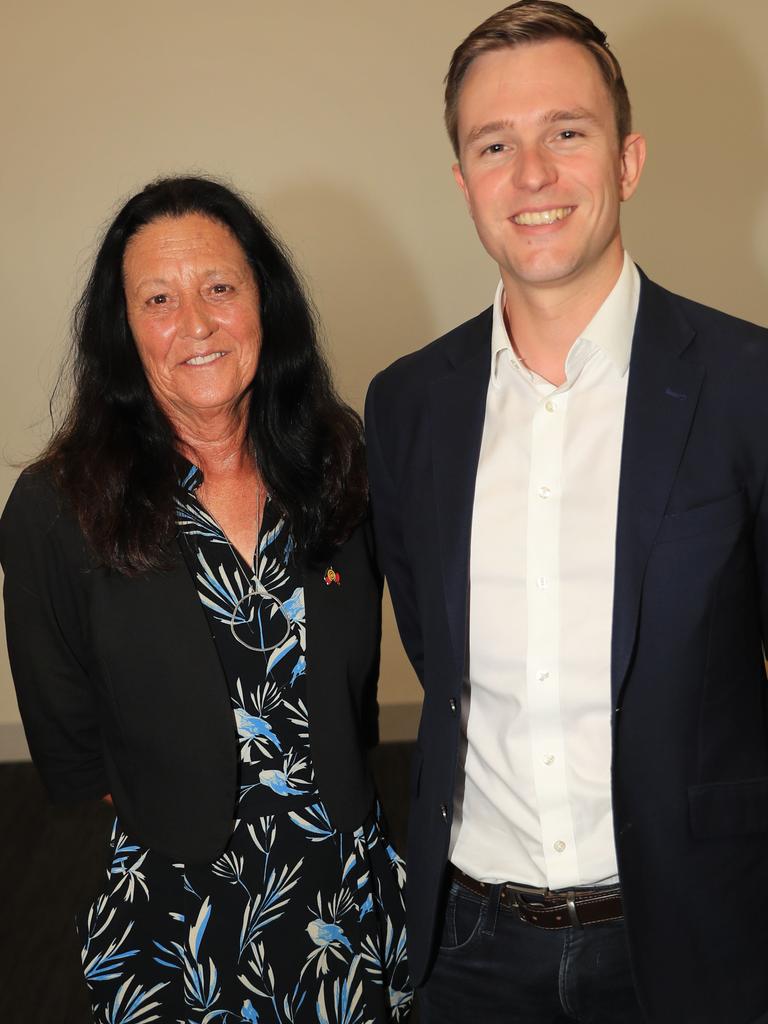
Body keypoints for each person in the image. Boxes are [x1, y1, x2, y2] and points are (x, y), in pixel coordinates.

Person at [365, 2, 768, 1022]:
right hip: (467, 951)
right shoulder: (407, 405)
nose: (531, 173)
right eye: (494, 144)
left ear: (628, 160)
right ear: (463, 183)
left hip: (694, 939)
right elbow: (432, 641)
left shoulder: (746, 383)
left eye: (567, 133)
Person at [1, 176, 412, 1023]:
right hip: (177, 916)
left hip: (345, 897)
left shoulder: (339, 463)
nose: (195, 323)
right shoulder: (56, 507)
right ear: (124, 331)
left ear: (266, 302)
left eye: (220, 288)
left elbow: (354, 693)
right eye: (159, 298)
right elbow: (72, 742)